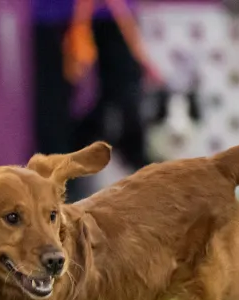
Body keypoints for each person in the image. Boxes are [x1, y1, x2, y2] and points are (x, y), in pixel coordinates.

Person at [32, 0, 158, 200]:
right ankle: (62, 192)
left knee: (125, 100)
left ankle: (143, 186)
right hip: (56, 11)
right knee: (53, 109)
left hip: (114, 10)